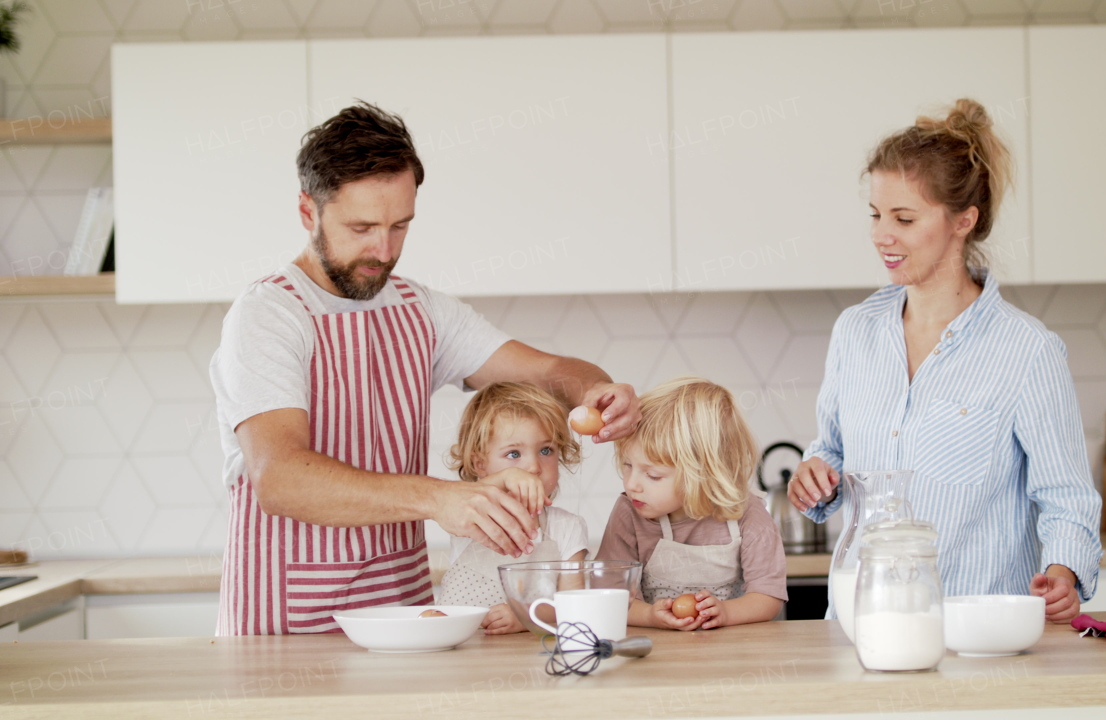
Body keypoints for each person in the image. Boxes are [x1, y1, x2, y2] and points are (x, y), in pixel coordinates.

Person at [209, 102, 638, 635]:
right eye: (361, 227)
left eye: (400, 226)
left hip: (408, 621)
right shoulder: (268, 316)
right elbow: (280, 477)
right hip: (287, 626)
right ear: (307, 211)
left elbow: (548, 371)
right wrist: (439, 497)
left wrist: (593, 388)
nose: (383, 250)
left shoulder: (422, 311)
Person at [786, 99, 1102, 624]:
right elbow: (833, 450)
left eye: (904, 218)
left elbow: (1066, 497)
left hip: (974, 635)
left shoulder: (1026, 351)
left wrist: (1064, 573)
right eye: (876, 215)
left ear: (964, 221)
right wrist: (815, 474)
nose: (880, 235)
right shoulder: (855, 332)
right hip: (862, 630)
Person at [596, 377, 787, 630]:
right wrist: (651, 616)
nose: (632, 484)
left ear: (705, 473)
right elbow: (610, 597)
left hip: (735, 653)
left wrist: (726, 613)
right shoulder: (629, 512)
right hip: (656, 653)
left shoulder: (747, 514)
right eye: (628, 465)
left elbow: (768, 597)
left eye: (653, 475)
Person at [434, 382, 589, 634]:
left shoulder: (567, 528)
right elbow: (469, 495)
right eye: (514, 454)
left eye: (546, 450)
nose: (533, 467)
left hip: (526, 654)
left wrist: (526, 615)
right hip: (459, 645)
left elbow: (574, 604)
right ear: (480, 463)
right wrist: (505, 479)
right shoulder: (470, 512)